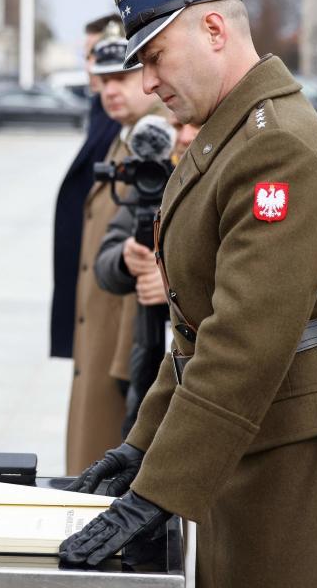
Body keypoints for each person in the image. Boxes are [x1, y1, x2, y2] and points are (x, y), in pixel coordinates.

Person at [60, 0, 317, 586]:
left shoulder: (275, 147)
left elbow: (243, 342)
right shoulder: (230, 134)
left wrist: (155, 492)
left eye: (156, 56)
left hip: (304, 457)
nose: (149, 81)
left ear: (213, 30)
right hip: (261, 436)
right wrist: (142, 445)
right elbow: (197, 330)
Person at [65, 36, 165, 474]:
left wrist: (129, 362)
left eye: (121, 77)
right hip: (103, 334)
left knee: (109, 480)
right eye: (102, 80)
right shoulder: (124, 138)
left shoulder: (158, 141)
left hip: (126, 344)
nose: (110, 90)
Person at [93, 114, 200, 436]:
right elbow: (105, 266)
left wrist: (171, 284)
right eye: (178, 127)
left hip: (203, 366)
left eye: (194, 126)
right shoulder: (156, 176)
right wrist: (126, 260)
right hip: (147, 359)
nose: (184, 137)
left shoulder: (231, 175)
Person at [50, 13, 123, 360]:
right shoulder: (102, 110)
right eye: (91, 57)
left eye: (97, 53)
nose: (92, 66)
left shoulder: (128, 120)